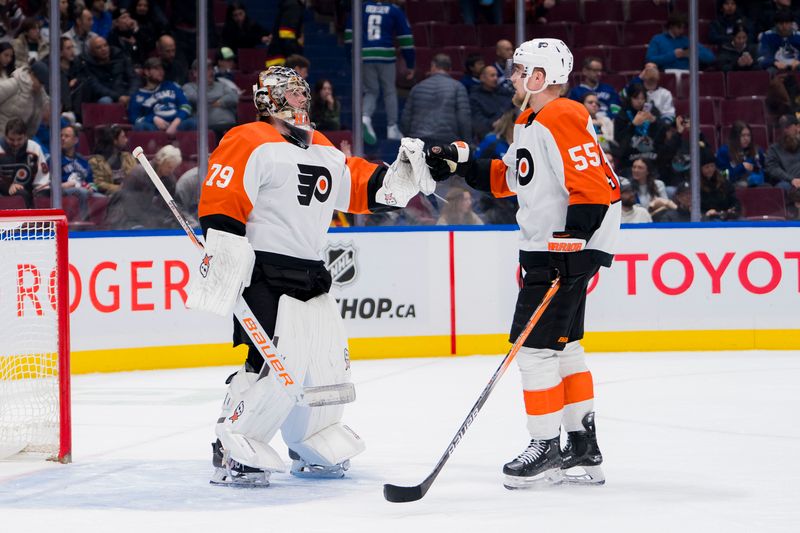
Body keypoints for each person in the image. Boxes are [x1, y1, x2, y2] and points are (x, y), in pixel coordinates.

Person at [191, 65, 433, 486]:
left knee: (324, 370)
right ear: (269, 99)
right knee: (269, 363)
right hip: (263, 270)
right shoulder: (248, 139)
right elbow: (222, 202)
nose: (302, 99)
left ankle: (312, 439)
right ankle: (236, 440)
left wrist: (404, 175)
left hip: (310, 271)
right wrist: (225, 257)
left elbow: (364, 189)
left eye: (303, 92)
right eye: (292, 93)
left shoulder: (322, 147)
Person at [424, 38, 619, 488]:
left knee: (533, 352)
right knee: (564, 347)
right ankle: (582, 448)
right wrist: (460, 164)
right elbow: (510, 180)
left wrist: (574, 241)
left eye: (518, 71)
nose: (511, 77)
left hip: (559, 251)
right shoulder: (531, 122)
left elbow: (591, 184)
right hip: (555, 249)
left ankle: (545, 447)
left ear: (538, 78)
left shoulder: (561, 114)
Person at [345, 0, 414, 143]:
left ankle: (365, 117)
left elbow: (349, 34)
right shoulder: (394, 10)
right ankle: (392, 127)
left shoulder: (361, 8)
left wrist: (350, 57)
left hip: (365, 55)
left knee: (371, 90)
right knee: (389, 91)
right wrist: (410, 63)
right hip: (386, 55)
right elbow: (406, 38)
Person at [105, 144, 184, 229]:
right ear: (160, 161)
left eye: (173, 168)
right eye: (169, 167)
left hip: (145, 219)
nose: (171, 171)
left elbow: (170, 206)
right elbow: (128, 203)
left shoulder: (169, 180)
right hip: (125, 218)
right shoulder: (139, 174)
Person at [400, 53, 471, 147]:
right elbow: (464, 118)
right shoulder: (458, 87)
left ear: (433, 66)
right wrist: (467, 142)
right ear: (450, 69)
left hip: (419, 142)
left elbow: (406, 118)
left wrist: (408, 139)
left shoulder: (417, 88)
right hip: (447, 141)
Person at [128, 57, 195, 134]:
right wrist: (153, 118)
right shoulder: (137, 96)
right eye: (156, 68)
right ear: (147, 72)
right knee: (141, 127)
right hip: (154, 128)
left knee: (195, 123)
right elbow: (134, 119)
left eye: (162, 68)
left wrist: (176, 123)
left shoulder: (171, 86)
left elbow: (186, 106)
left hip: (177, 124)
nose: (161, 72)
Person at [613, 83, 663, 174]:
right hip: (629, 160)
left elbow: (661, 137)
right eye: (636, 98)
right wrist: (633, 125)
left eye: (642, 98)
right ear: (630, 98)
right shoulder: (622, 114)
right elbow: (620, 140)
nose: (640, 102)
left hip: (651, 158)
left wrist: (655, 122)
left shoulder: (652, 111)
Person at [182, 59, 238, 138]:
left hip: (231, 126)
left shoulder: (221, 85)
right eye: (207, 69)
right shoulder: (189, 87)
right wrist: (218, 97)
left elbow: (234, 97)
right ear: (195, 73)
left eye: (211, 68)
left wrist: (220, 102)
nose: (211, 72)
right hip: (208, 130)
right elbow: (197, 98)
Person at [0, 117, 49, 208]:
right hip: (2, 191)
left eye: (19, 139)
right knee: (21, 194)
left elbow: (42, 180)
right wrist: (8, 187)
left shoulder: (34, 148)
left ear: (25, 136)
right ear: (5, 136)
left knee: (46, 194)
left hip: (29, 193)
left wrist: (41, 194)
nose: (15, 143)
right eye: (11, 139)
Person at [646, 12, 715, 72]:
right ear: (671, 26)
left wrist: (692, 54)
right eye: (679, 27)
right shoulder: (657, 39)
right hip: (667, 75)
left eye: (683, 27)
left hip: (687, 75)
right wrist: (674, 55)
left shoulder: (687, 40)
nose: (682, 30)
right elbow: (650, 59)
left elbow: (710, 57)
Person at [83, 36, 138, 105]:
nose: (103, 49)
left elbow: (133, 78)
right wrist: (118, 97)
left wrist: (130, 95)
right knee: (105, 101)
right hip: (108, 96)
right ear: (92, 52)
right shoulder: (88, 66)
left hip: (126, 93)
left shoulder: (120, 57)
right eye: (98, 47)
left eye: (105, 45)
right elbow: (96, 87)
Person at [88, 124, 136, 195]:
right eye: (123, 137)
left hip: (130, 194)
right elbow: (98, 183)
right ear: (114, 141)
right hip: (110, 196)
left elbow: (136, 176)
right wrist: (119, 188)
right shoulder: (96, 161)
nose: (126, 140)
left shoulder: (128, 157)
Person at [469, 64, 514, 142]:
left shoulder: (505, 92)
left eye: (496, 75)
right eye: (492, 76)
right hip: (490, 134)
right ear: (482, 78)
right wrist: (493, 124)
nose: (496, 78)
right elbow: (477, 122)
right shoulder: (475, 97)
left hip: (510, 131)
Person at [716, 120, 766, 187]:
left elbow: (763, 168)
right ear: (735, 137)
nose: (746, 138)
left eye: (748, 135)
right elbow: (723, 175)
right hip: (732, 186)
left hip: (755, 184)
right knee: (743, 185)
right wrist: (743, 166)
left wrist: (760, 174)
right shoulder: (724, 151)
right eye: (743, 135)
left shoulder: (756, 150)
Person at [765, 113, 800, 194]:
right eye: (784, 127)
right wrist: (791, 179)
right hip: (788, 182)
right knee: (781, 187)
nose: (799, 130)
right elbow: (771, 168)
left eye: (799, 127)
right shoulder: (774, 149)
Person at [699, 149, 738, 221]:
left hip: (725, 217)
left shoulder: (724, 182)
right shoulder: (696, 185)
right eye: (707, 167)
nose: (710, 169)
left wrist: (732, 209)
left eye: (712, 166)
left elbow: (734, 200)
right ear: (700, 169)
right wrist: (706, 213)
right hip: (706, 219)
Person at [266, 0, 305, 66]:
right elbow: (286, 34)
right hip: (284, 61)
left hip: (278, 58)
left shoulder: (289, 5)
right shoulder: (293, 6)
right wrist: (296, 58)